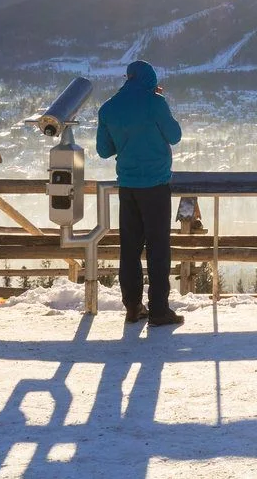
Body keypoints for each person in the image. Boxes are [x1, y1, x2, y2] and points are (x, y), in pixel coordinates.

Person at [96, 60, 184, 326]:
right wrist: (157, 102)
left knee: (130, 248)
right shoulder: (155, 103)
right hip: (156, 186)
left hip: (128, 187)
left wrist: (127, 138)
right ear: (151, 80)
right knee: (158, 248)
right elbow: (175, 135)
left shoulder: (108, 108)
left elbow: (104, 150)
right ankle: (159, 310)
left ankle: (133, 307)